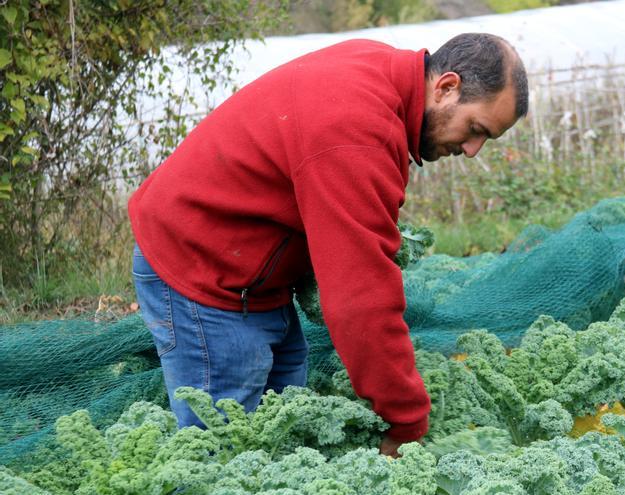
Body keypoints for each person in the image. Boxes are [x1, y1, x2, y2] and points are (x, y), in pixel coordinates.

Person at [128, 32, 529, 456]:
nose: (472, 150)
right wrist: (406, 419)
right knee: (220, 458)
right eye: (475, 129)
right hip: (202, 272)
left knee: (282, 439)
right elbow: (360, 298)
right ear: (446, 87)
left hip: (255, 273)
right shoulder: (357, 129)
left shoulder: (383, 71)